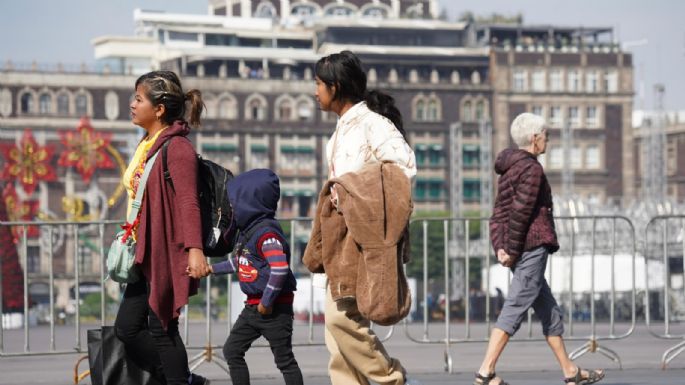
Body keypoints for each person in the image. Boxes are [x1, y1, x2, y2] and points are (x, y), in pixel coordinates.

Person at [306, 50, 420, 385]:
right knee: (336, 338)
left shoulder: (373, 123)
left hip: (362, 236)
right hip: (339, 235)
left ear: (335, 86)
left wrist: (354, 192)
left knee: (342, 321)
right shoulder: (342, 128)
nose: (315, 92)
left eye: (318, 84)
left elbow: (404, 167)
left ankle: (392, 379)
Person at [474, 113, 605, 385]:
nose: (548, 139)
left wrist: (500, 246)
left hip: (519, 247)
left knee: (548, 310)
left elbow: (499, 214)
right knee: (516, 306)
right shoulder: (532, 169)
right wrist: (509, 248)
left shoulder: (510, 168)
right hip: (531, 246)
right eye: (546, 134)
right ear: (535, 138)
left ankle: (569, 370)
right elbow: (521, 213)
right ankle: (485, 371)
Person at [114, 70, 211, 385]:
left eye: (138, 99)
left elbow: (188, 203)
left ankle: (180, 380)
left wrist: (195, 251)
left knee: (161, 327)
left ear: (159, 109)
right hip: (145, 251)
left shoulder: (177, 148)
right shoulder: (149, 144)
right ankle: (181, 378)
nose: (132, 105)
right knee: (128, 328)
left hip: (167, 252)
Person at [199, 168, 303, 385]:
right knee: (232, 350)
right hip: (252, 308)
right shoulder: (248, 232)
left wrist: (267, 301)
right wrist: (212, 269)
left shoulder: (267, 234)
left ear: (251, 203)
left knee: (284, 360)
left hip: (274, 308)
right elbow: (242, 262)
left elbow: (280, 269)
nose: (231, 209)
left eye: (235, 204)